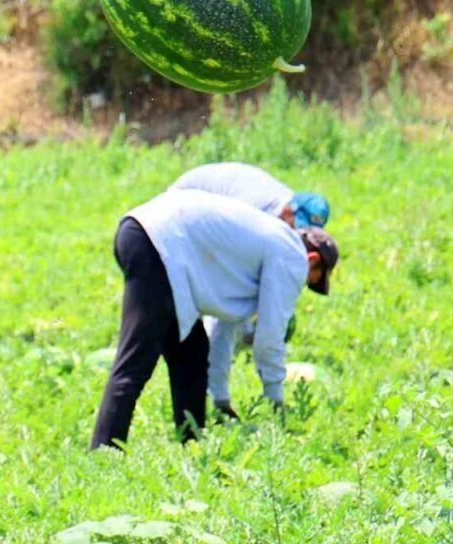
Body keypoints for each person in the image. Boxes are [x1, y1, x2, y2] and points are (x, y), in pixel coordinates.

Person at [90, 189, 338, 449]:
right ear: (312, 260)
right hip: (158, 242)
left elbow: (222, 328)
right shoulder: (293, 257)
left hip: (151, 237)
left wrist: (221, 401)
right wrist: (276, 404)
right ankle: (104, 453)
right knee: (136, 362)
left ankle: (193, 447)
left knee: (192, 353)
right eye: (310, 281)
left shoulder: (270, 244)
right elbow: (269, 338)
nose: (301, 286)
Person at [171, 162, 331, 411]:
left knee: (230, 312)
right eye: (296, 228)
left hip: (209, 222)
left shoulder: (281, 225)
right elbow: (230, 290)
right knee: (221, 312)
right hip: (182, 213)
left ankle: (216, 400)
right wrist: (247, 328)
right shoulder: (254, 213)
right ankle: (215, 401)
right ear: (288, 211)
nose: (298, 240)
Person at [170, 161, 330, 229]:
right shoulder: (257, 205)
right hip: (183, 200)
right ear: (289, 210)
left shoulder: (284, 204)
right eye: (298, 226)